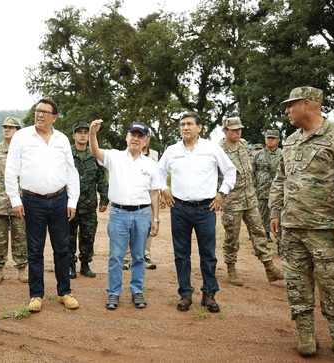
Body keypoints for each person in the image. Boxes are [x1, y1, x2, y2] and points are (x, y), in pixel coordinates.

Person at [270, 86, 334, 363]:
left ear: (308, 104)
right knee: (296, 285)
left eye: (291, 105)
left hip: (326, 230)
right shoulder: (289, 142)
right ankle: (306, 335)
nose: (287, 111)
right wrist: (275, 212)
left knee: (331, 285)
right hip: (291, 229)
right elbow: (280, 180)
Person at [5, 98, 80, 313]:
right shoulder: (21, 137)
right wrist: (15, 200)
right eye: (38, 111)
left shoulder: (62, 139)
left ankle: (64, 292)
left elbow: (70, 172)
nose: (40, 115)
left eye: (45, 112)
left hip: (59, 201)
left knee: (62, 249)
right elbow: (11, 171)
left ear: (54, 117)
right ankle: (36, 295)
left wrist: (72, 201)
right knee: (35, 250)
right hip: (32, 201)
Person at [158, 112, 236, 312]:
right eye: (182, 124)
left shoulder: (211, 148)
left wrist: (222, 194)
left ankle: (209, 294)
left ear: (199, 128)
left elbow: (230, 171)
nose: (185, 127)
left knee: (208, 253)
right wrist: (164, 189)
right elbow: (158, 172)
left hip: (205, 208)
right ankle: (185, 294)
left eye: (190, 124)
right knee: (181, 254)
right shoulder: (172, 150)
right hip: (179, 208)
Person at [89, 120, 161, 310]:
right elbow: (95, 152)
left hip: (142, 214)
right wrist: (92, 134)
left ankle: (137, 290)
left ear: (146, 141)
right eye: (133, 135)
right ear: (127, 137)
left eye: (140, 136)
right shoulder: (115, 157)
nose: (136, 139)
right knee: (116, 257)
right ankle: (114, 293)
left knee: (138, 257)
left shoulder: (152, 164)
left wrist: (155, 219)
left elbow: (154, 193)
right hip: (119, 213)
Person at [219, 117, 283, 286]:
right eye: (234, 130)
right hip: (232, 201)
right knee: (231, 237)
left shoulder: (243, 144)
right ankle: (231, 268)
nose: (238, 132)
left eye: (240, 129)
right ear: (225, 131)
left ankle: (270, 268)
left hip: (250, 198)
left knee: (259, 233)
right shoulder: (218, 150)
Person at [0, 117, 28, 285]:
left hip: (20, 202)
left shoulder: (25, 150)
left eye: (11, 127)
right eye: (5, 127)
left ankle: (22, 269)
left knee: (21, 237)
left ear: (17, 131)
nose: (7, 129)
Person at [69, 121, 109, 278]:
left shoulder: (94, 154)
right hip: (69, 205)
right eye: (79, 132)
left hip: (89, 204)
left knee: (88, 235)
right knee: (69, 237)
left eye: (86, 132)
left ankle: (85, 264)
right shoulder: (67, 153)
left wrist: (104, 199)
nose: (83, 135)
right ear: (74, 135)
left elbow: (102, 178)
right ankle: (70, 265)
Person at [124, 135, 158, 270]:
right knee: (127, 230)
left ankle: (146, 256)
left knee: (147, 229)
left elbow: (157, 177)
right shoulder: (127, 154)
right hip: (132, 198)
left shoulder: (154, 155)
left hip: (149, 198)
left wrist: (159, 197)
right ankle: (127, 258)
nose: (145, 139)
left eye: (147, 137)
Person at [252, 129, 282, 250]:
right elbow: (252, 173)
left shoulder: (283, 154)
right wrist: (254, 190)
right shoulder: (258, 155)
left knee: (279, 219)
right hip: (262, 192)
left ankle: (281, 245)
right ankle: (263, 248)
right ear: (265, 139)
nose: (270, 140)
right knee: (261, 219)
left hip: (279, 194)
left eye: (273, 138)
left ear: (278, 140)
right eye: (268, 138)